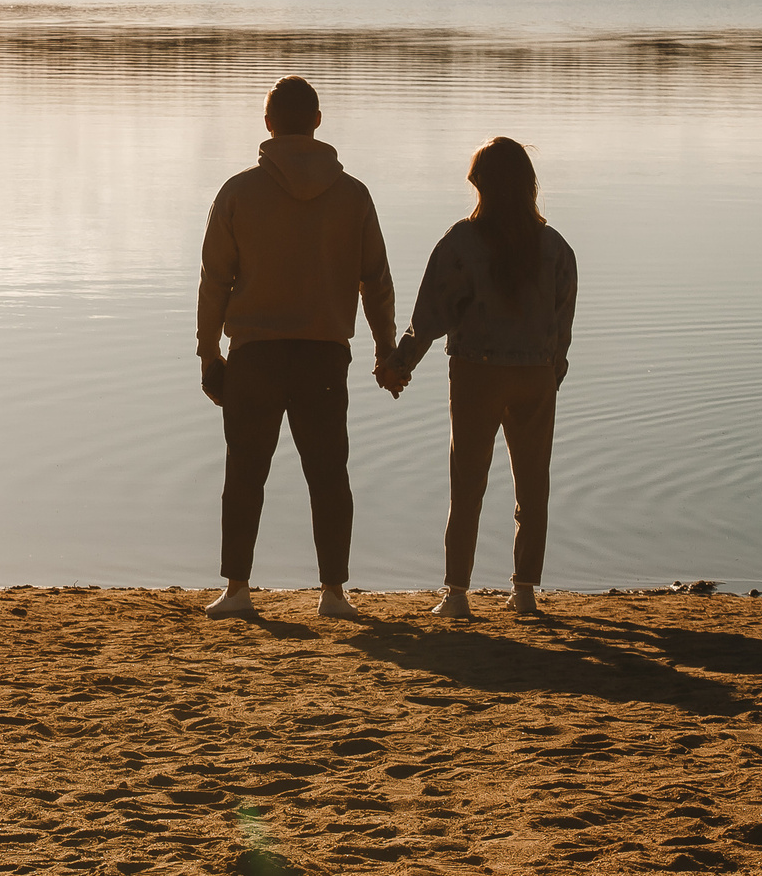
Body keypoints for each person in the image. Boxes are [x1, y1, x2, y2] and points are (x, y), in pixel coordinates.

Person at [196, 75, 400, 620]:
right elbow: (375, 279)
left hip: (255, 352)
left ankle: (237, 590)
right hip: (324, 352)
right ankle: (333, 593)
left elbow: (215, 278)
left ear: (268, 125)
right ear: (316, 123)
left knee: (244, 472)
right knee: (330, 473)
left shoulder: (238, 191)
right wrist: (385, 349)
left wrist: (208, 352)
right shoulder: (353, 194)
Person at [384, 137, 578, 619]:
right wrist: (550, 372)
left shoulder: (460, 242)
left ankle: (456, 595)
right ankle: (525, 591)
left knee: (466, 482)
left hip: (476, 372)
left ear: (478, 183)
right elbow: (562, 325)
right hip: (534, 374)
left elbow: (430, 314)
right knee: (533, 484)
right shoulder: (555, 247)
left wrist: (400, 363)